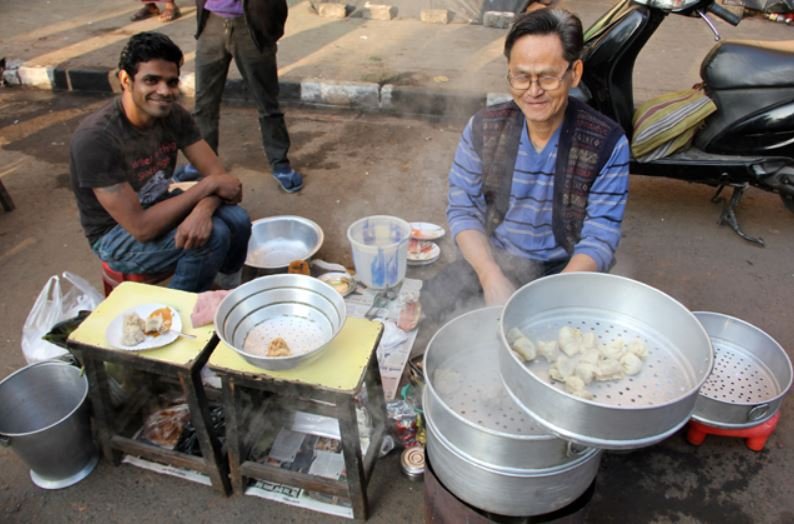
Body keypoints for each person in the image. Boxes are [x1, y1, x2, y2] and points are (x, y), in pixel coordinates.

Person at [424, 9, 630, 321]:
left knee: (574, 333)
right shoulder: (483, 128)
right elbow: (464, 209)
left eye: (547, 77)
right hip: (495, 257)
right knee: (426, 309)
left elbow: (600, 236)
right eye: (521, 77)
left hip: (566, 267)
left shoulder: (607, 143)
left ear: (574, 73)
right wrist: (490, 275)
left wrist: (548, 298)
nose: (533, 92)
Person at [69, 32, 251, 292]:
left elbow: (223, 180)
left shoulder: (173, 116)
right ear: (126, 80)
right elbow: (141, 228)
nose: (165, 91)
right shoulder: (96, 139)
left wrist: (202, 210)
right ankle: (176, 309)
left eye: (171, 82)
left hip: (158, 205)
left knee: (238, 219)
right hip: (115, 234)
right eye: (151, 80)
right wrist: (206, 186)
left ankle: (227, 291)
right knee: (214, 236)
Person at [192, 0, 303, 193]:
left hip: (253, 24)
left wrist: (270, 28)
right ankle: (202, 162)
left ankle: (280, 163)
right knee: (204, 102)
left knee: (267, 103)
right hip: (211, 22)